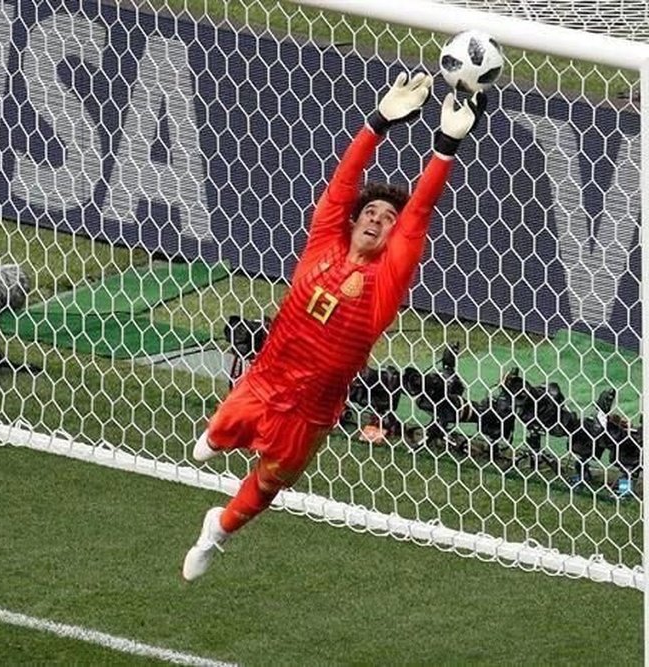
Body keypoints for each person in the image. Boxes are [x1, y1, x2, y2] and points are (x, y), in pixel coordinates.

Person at [181, 71, 488, 581]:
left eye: (387, 219)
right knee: (212, 440)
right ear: (352, 220)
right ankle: (219, 438)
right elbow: (340, 187)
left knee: (268, 485)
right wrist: (378, 123)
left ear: (394, 238)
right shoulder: (323, 245)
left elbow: (419, 216)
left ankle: (217, 530)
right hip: (264, 381)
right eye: (369, 211)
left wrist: (445, 146)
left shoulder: (385, 280)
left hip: (313, 408)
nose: (376, 219)